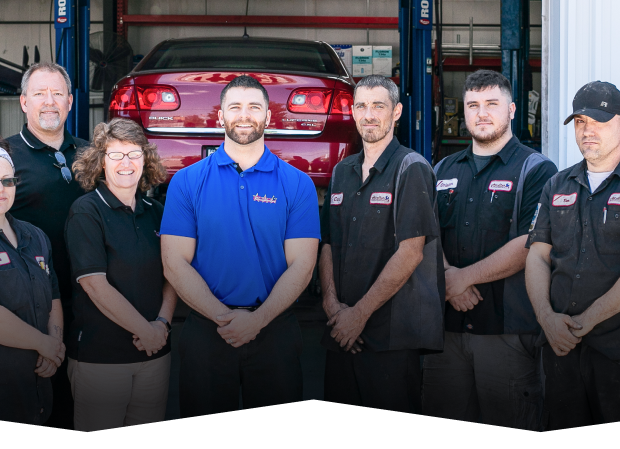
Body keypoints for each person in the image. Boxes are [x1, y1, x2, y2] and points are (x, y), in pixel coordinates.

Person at [161, 75, 320, 416]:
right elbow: (174, 263)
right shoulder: (186, 182)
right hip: (206, 330)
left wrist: (258, 320)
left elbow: (303, 266)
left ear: (268, 117)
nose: (244, 115)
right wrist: (226, 318)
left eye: (254, 107)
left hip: (275, 330)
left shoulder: (298, 184)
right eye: (235, 107)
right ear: (220, 116)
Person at [422, 70, 558, 430]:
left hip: (507, 332)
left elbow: (530, 243)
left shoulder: (537, 170)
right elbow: (427, 234)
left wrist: (458, 279)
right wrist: (450, 278)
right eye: (473, 105)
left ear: (511, 110)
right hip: (446, 333)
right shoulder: (442, 170)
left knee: (509, 431)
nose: (482, 113)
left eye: (492, 104)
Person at [319, 75, 445, 413]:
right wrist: (332, 305)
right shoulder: (341, 171)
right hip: (342, 332)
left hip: (389, 338)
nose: (369, 114)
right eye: (361, 106)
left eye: (379, 106)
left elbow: (411, 252)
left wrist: (358, 315)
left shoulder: (411, 168)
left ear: (397, 111)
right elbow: (328, 244)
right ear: (352, 111)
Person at [64, 118, 176, 431]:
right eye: (115, 155)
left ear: (146, 159)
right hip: (102, 359)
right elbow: (95, 285)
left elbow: (174, 274)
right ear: (101, 162)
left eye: (134, 154)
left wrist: (162, 325)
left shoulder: (156, 211)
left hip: (154, 354)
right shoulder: (86, 211)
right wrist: (147, 330)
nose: (125, 163)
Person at [526, 81, 620, 429]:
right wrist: (547, 319)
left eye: (599, 121)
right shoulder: (557, 185)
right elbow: (537, 256)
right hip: (559, 347)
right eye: (580, 121)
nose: (587, 131)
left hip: (613, 351)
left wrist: (587, 321)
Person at [6, 62, 88, 429]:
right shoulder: (5, 159)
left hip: (89, 304)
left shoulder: (92, 155)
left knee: (80, 408)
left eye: (57, 93)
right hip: (27, 311)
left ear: (70, 102)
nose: (49, 102)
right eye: (39, 93)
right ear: (23, 102)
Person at [0, 138, 66, 425]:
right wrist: (45, 345)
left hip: (38, 393)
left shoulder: (35, 236)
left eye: (7, 180)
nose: (1, 189)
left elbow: (53, 297)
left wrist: (54, 346)